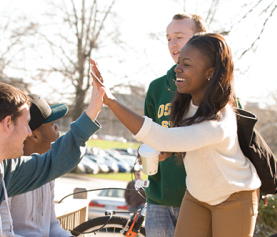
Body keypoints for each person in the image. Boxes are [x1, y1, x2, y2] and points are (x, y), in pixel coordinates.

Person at [90, 32, 261, 237]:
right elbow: (185, 142)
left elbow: (162, 137)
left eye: (186, 64)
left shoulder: (219, 119)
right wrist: (170, 152)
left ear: (210, 72)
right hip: (197, 195)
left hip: (234, 197)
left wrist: (110, 101)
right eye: (179, 62)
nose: (177, 69)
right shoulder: (185, 105)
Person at [0, 82, 104, 235]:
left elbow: (54, 162)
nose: (28, 132)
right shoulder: (9, 169)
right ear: (8, 123)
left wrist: (93, 109)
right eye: (26, 123)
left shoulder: (7, 169)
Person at [142, 13, 207, 237]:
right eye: (169, 38)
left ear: (200, 39)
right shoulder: (157, 88)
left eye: (179, 36)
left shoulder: (216, 87)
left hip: (200, 198)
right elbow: (146, 135)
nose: (173, 43)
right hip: (158, 199)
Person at [0, 94, 73, 236]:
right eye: (51, 124)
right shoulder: (10, 173)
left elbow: (51, 225)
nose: (57, 126)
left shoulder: (47, 172)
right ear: (34, 136)